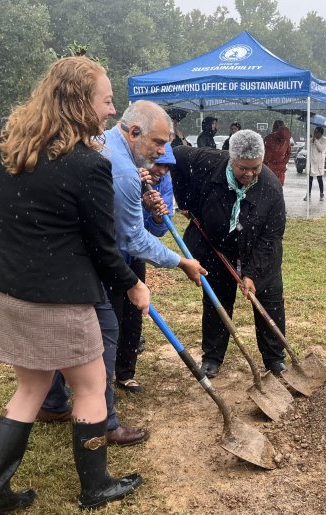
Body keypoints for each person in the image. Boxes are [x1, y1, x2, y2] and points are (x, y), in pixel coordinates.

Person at [0, 56, 150, 513]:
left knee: (30, 390)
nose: (111, 111)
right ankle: (96, 486)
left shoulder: (11, 131)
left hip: (1, 284)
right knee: (89, 387)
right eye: (106, 101)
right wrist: (134, 286)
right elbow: (106, 250)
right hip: (53, 298)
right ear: (78, 102)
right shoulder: (87, 164)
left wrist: (29, 204)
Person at [39, 101, 205, 445]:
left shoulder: (103, 143)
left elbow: (140, 231)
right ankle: (106, 422)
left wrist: (154, 212)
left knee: (65, 333)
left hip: (64, 259)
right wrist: (181, 262)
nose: (163, 153)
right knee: (105, 336)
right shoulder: (124, 174)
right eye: (158, 144)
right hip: (91, 265)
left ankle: (54, 402)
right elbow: (132, 239)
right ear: (133, 132)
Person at [172, 129, 287, 378]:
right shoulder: (206, 161)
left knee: (270, 300)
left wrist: (252, 274)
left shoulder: (271, 189)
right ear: (231, 160)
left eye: (255, 168)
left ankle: (275, 359)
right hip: (216, 244)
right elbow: (176, 156)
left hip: (257, 247)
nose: (249, 174)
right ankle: (212, 357)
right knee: (217, 301)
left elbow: (271, 238)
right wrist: (186, 202)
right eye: (243, 168)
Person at [114, 143, 176, 394]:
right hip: (109, 254)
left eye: (167, 166)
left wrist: (157, 214)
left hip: (134, 255)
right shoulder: (127, 173)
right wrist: (136, 190)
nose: (162, 170)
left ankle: (125, 373)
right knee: (109, 316)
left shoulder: (163, 183)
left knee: (133, 315)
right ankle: (100, 379)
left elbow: (159, 229)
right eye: (158, 164)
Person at [263, 119, 292, 186]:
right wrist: (283, 162)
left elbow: (264, 152)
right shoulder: (286, 140)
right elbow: (289, 153)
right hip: (280, 169)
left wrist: (267, 163)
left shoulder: (268, 138)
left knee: (269, 188)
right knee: (278, 188)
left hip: (269, 168)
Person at [304, 126, 326, 201]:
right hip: (311, 162)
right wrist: (310, 139)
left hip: (319, 162)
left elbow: (321, 149)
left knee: (319, 179)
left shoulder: (324, 140)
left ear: (321, 133)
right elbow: (306, 148)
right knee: (310, 179)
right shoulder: (311, 140)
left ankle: (321, 194)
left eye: (317, 132)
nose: (315, 134)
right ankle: (308, 194)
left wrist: (316, 141)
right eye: (315, 132)